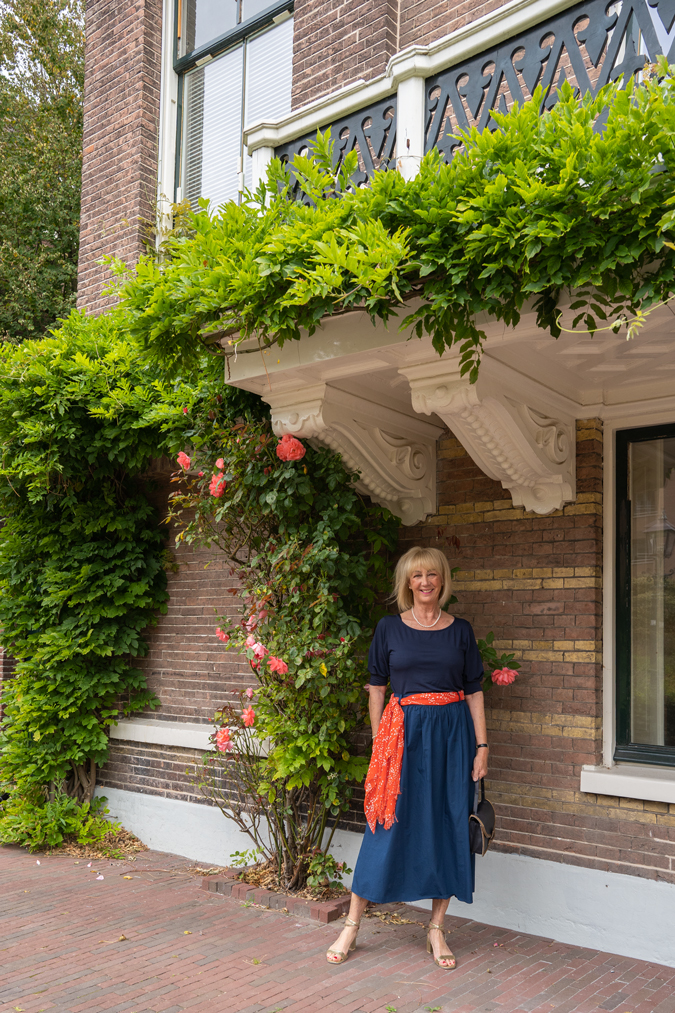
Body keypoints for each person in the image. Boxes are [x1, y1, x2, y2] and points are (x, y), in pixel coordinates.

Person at [326, 546, 488, 969]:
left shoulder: (461, 631)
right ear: (407, 583)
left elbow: (474, 691)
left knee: (449, 824)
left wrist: (483, 747)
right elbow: (377, 689)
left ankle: (436, 929)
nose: (425, 582)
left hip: (454, 739)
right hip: (402, 738)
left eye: (432, 575)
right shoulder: (389, 629)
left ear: (442, 580)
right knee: (385, 825)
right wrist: (382, 744)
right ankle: (352, 922)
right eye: (417, 576)